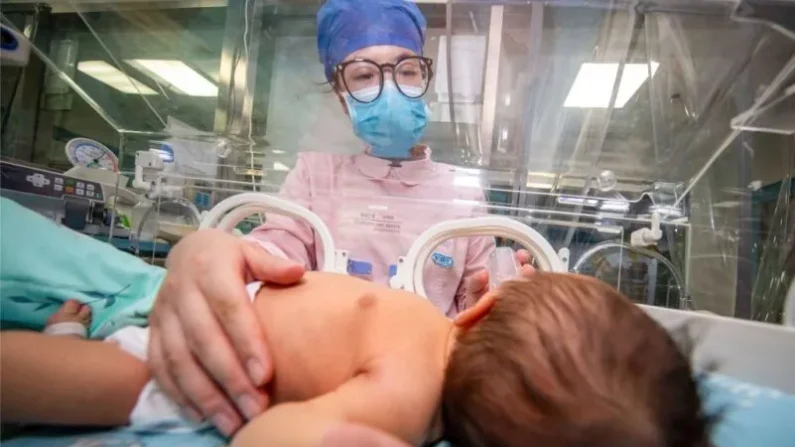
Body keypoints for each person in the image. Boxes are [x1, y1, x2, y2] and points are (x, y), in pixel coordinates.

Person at [148, 0, 531, 433]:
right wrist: (218, 253)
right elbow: (274, 251)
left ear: (425, 78)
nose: (390, 90)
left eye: (406, 70)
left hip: (412, 382)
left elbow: (472, 317)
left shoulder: (462, 194)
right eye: (365, 75)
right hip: (322, 372)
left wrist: (499, 302)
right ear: (341, 93)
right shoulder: (316, 176)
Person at [1, 272, 711, 447]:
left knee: (105, 380)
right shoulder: (415, 369)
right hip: (204, 309)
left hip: (179, 357)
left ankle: (57, 353)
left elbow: (260, 437)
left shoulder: (404, 395)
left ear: (481, 305)